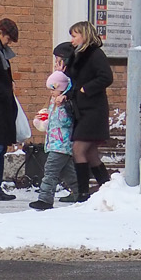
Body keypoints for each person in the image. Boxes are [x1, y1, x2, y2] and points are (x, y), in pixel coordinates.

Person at [64, 20, 113, 202]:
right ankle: (106, 186)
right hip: (82, 109)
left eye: (75, 35)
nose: (72, 39)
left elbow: (106, 77)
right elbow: (74, 82)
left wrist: (87, 89)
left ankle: (82, 193)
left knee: (78, 148)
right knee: (91, 152)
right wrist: (67, 95)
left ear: (84, 35)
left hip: (94, 110)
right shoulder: (77, 56)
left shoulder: (95, 54)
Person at [29, 67, 77, 211]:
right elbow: (51, 122)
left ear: (61, 89)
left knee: (50, 171)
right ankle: (81, 193)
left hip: (61, 143)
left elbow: (66, 122)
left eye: (53, 89)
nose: (51, 93)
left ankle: (45, 199)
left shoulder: (66, 103)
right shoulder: (52, 102)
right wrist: (42, 120)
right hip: (56, 144)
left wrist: (59, 107)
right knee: (66, 172)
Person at [0, 17, 20, 200]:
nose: (9, 43)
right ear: (0, 33)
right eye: (8, 38)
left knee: (0, 148)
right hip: (0, 105)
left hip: (3, 105)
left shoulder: (1, 51)